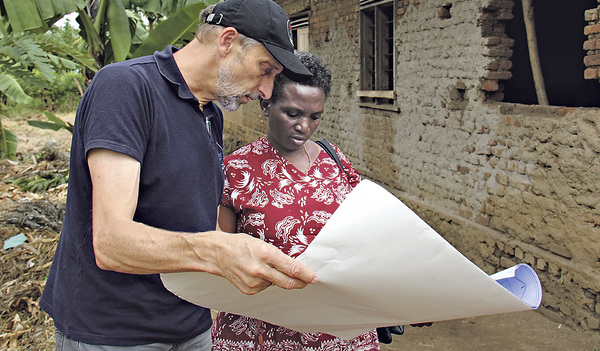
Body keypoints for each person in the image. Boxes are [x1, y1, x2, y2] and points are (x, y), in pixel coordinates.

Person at [40, 0, 318, 349]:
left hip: (190, 324)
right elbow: (111, 243)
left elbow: (194, 218)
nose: (265, 91)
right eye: (266, 69)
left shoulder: (209, 114)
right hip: (113, 332)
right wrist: (218, 251)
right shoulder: (126, 88)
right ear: (227, 41)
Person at [212, 51, 380, 351]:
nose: (304, 126)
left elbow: (365, 232)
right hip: (265, 331)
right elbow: (220, 253)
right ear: (267, 103)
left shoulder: (334, 160)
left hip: (339, 331)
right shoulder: (236, 170)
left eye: (315, 116)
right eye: (292, 113)